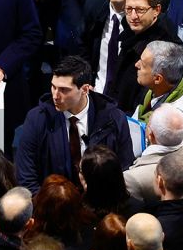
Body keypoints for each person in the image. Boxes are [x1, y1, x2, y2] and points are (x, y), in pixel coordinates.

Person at [16, 55, 135, 192]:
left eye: (64, 90)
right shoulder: (37, 119)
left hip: (102, 203)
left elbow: (125, 169)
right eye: (53, 87)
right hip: (54, 205)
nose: (55, 95)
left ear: (85, 89)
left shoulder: (113, 118)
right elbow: (26, 177)